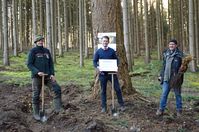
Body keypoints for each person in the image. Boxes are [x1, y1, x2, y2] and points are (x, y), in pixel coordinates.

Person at [27, 35, 62, 121]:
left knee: (57, 89)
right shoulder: (33, 51)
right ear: (36, 42)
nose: (41, 42)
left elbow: (51, 64)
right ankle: (36, 113)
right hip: (37, 77)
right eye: (39, 41)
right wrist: (37, 72)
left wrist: (52, 74)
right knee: (36, 95)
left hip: (48, 76)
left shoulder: (46, 51)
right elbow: (29, 64)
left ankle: (58, 109)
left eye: (42, 40)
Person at [93, 36, 125, 113]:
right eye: (104, 41)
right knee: (103, 91)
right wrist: (98, 67)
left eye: (106, 41)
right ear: (101, 42)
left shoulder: (112, 51)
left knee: (117, 89)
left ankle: (122, 105)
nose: (105, 42)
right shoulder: (98, 51)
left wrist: (116, 67)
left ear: (108, 42)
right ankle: (104, 107)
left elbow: (116, 60)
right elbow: (94, 61)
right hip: (103, 74)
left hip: (112, 74)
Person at [156, 39, 184, 117]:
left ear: (176, 45)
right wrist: (161, 75)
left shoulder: (179, 55)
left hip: (176, 79)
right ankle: (161, 109)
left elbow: (183, 68)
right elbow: (164, 66)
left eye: (173, 44)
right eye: (170, 44)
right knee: (164, 94)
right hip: (166, 78)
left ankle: (179, 110)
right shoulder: (166, 54)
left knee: (177, 94)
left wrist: (183, 69)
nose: (171, 45)